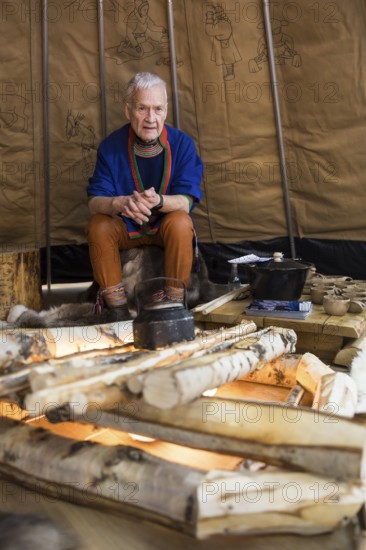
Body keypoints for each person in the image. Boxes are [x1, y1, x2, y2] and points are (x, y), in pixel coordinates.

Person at [86, 72, 203, 319]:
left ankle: (173, 305)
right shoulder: (110, 147)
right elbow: (94, 202)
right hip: (126, 228)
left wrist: (159, 201)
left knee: (182, 221)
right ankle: (116, 308)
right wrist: (119, 203)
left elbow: (185, 201)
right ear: (128, 110)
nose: (151, 118)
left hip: (163, 227)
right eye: (142, 108)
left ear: (166, 110)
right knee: (99, 225)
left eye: (158, 109)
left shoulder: (182, 145)